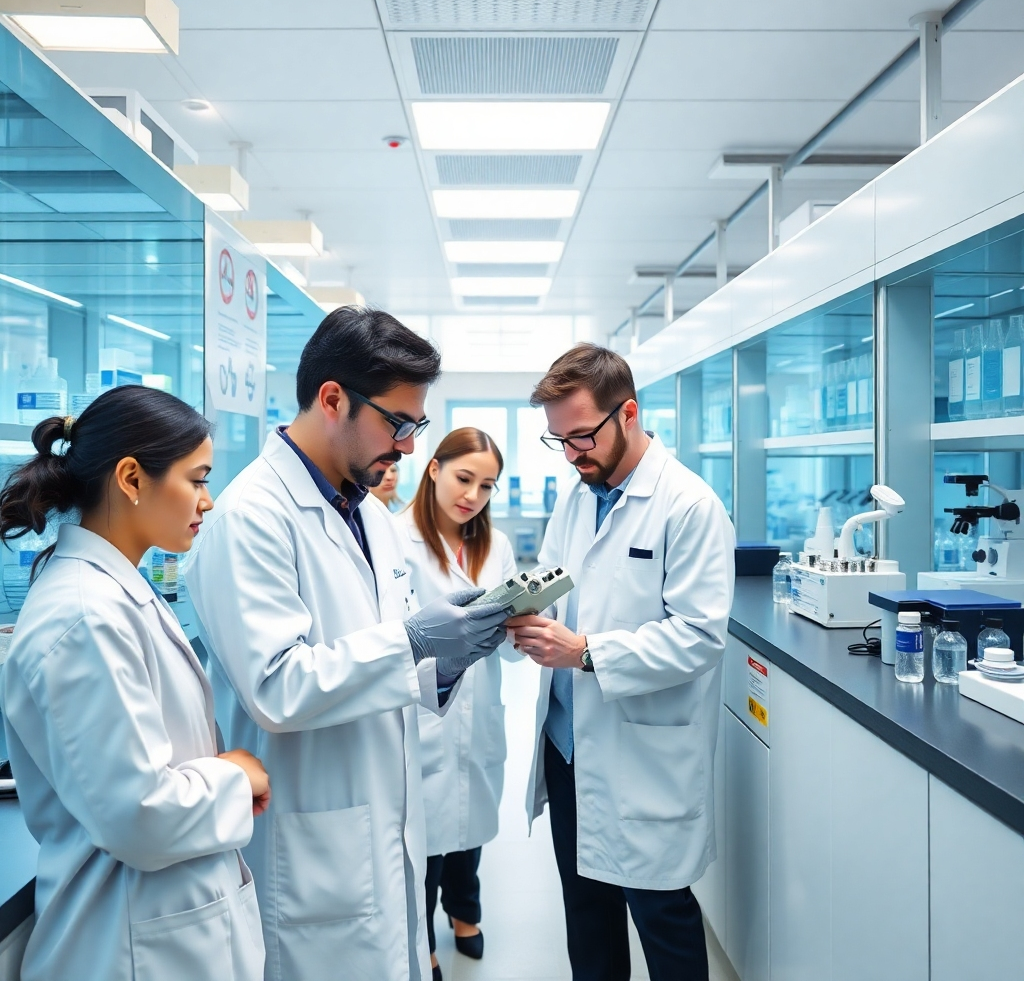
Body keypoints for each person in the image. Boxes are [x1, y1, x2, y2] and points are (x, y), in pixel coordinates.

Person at [183, 307, 510, 981]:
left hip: (384, 828)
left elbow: (384, 663)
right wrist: (415, 640)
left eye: (416, 426)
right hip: (310, 841)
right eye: (400, 424)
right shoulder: (252, 518)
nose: (411, 447)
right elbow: (278, 688)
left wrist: (448, 656)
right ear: (333, 399)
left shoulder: (368, 514)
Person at [0, 386, 270, 981]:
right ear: (131, 478)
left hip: (160, 925)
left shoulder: (117, 592)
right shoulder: (84, 618)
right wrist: (234, 774)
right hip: (123, 947)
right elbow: (140, 816)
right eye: (196, 479)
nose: (209, 499)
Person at [508, 344, 735, 981]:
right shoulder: (579, 496)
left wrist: (584, 653)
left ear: (627, 414)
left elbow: (699, 636)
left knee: (662, 918)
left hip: (641, 751)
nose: (572, 452)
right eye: (559, 441)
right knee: (587, 916)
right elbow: (550, 577)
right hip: (569, 745)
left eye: (581, 436)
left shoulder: (689, 506)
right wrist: (504, 608)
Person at [398, 428, 518, 980]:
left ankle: (464, 912)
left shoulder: (496, 546)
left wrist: (524, 625)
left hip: (479, 708)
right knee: (423, 838)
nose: (472, 495)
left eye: (487, 486)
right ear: (434, 470)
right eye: (464, 478)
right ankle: (421, 940)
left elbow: (512, 647)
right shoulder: (397, 541)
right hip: (422, 709)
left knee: (468, 822)